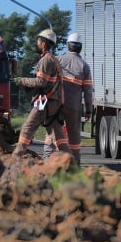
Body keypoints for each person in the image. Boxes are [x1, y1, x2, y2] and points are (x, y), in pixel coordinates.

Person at [12, 29, 71, 159]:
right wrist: (28, 86)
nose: (36, 43)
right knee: (58, 136)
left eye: (38, 41)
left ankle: (15, 159)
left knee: (27, 129)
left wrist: (21, 80)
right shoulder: (52, 59)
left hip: (45, 102)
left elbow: (41, 81)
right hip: (53, 102)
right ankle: (70, 162)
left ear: (43, 44)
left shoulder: (46, 60)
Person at [44, 32, 93, 165]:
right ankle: (75, 163)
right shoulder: (84, 66)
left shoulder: (58, 60)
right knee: (74, 135)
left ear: (68, 46)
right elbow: (88, 91)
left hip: (57, 104)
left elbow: (47, 81)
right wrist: (89, 110)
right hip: (74, 107)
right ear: (80, 47)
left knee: (53, 132)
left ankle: (48, 159)